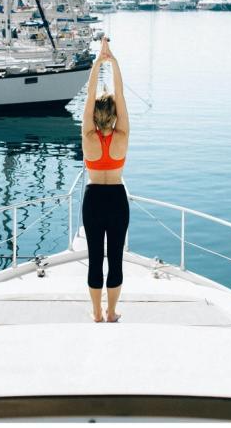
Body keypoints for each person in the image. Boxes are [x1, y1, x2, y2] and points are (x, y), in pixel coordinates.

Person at [81, 36, 129, 323]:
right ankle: (112, 312)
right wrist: (113, 62)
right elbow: (120, 96)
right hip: (117, 199)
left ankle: (97, 313)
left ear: (96, 117)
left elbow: (88, 97)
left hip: (93, 199)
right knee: (116, 259)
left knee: (95, 257)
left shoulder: (88, 138)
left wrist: (98, 63)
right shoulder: (122, 137)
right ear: (113, 116)